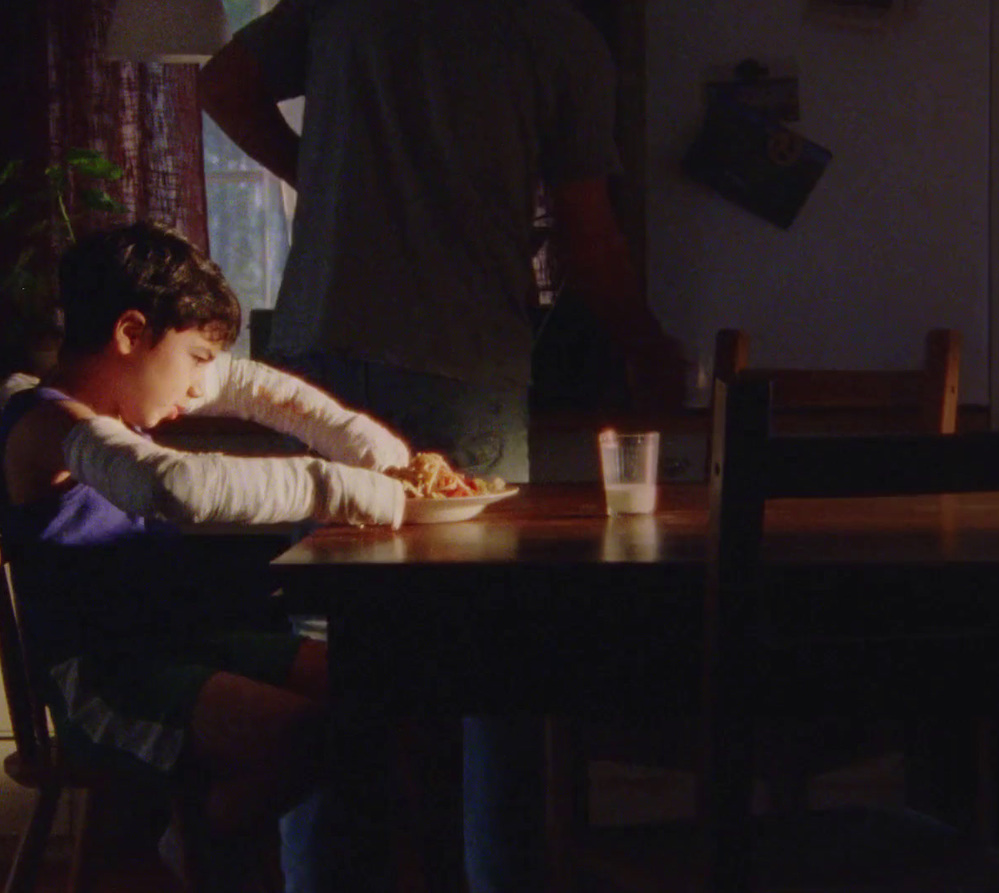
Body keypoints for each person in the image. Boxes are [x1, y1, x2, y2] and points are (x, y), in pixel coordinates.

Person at [199, 2, 688, 890]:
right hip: (462, 363)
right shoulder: (559, 33)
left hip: (322, 350)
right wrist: (647, 346)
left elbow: (221, 82)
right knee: (492, 659)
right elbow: (588, 231)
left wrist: (317, 175)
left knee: (327, 643)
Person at [0, 220, 412, 892]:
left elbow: (252, 384)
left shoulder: (119, 387)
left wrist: (368, 448)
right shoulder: (49, 426)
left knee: (383, 688)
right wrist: (340, 486)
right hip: (102, 675)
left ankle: (224, 845)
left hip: (180, 643)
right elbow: (171, 486)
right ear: (128, 334)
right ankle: (198, 841)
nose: (202, 384)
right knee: (302, 733)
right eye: (195, 360)